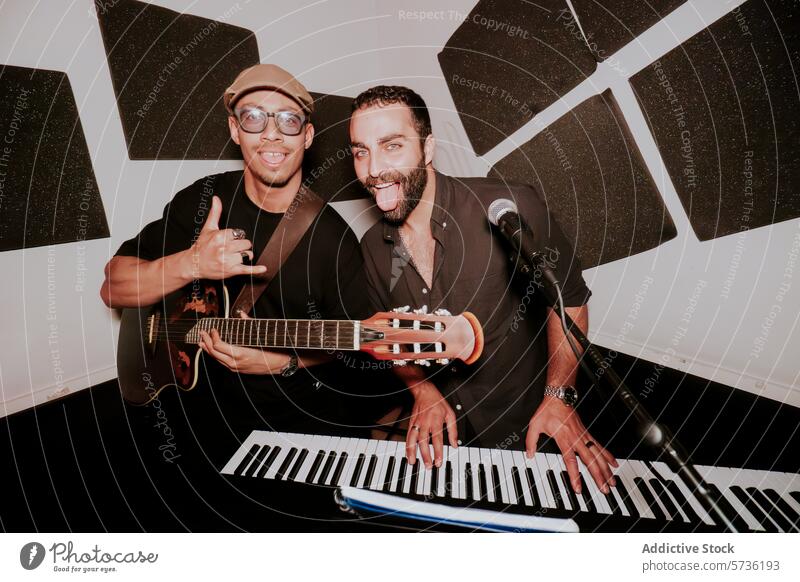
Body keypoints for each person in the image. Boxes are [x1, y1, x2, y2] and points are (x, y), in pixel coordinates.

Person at [349, 85, 618, 495]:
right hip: (451, 443)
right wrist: (422, 390)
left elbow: (569, 298)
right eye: (360, 151)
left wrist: (560, 397)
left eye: (391, 146)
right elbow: (386, 338)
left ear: (428, 148)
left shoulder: (510, 207)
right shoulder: (370, 246)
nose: (373, 169)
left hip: (535, 430)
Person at [101, 64, 372, 449]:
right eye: (254, 118)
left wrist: (280, 362)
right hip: (190, 415)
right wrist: (192, 263)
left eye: (289, 120)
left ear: (308, 136)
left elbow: (356, 353)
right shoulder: (202, 200)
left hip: (286, 431)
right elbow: (112, 288)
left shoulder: (334, 240)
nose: (272, 134)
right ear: (234, 129)